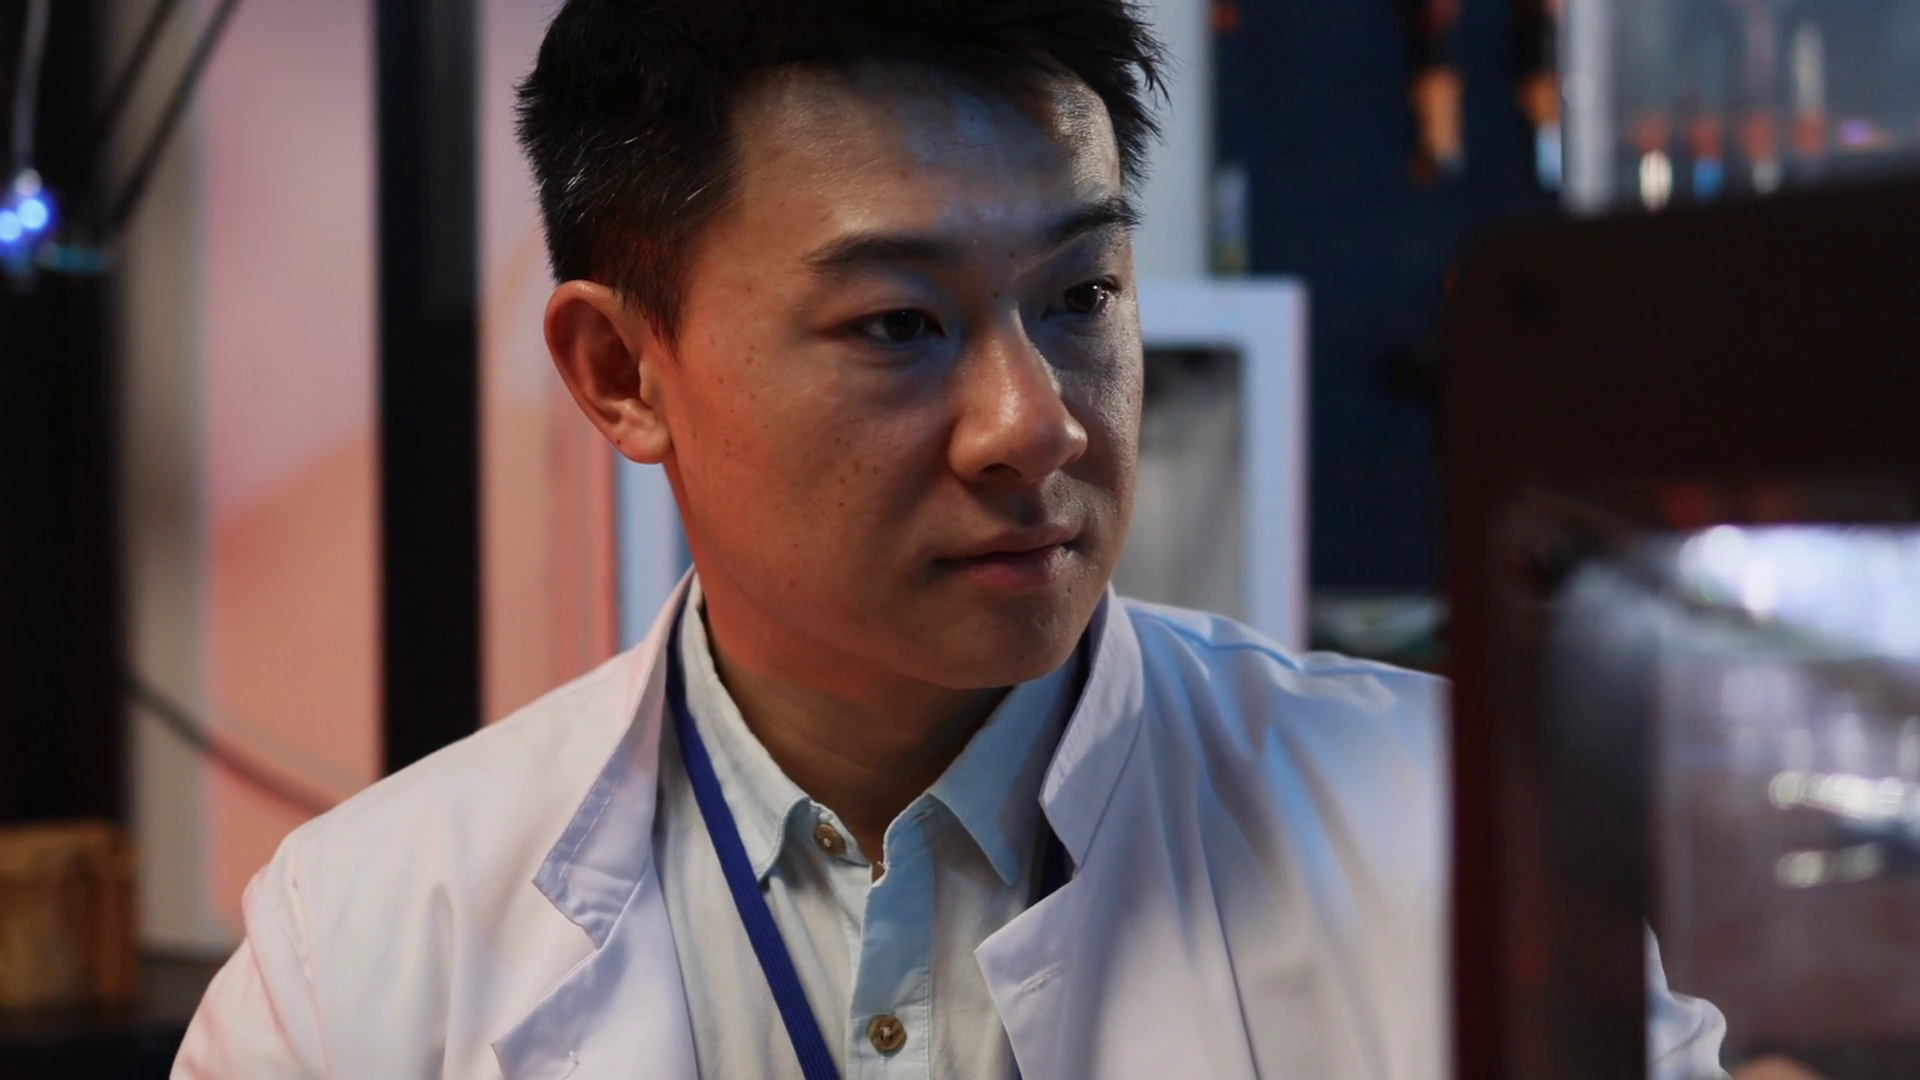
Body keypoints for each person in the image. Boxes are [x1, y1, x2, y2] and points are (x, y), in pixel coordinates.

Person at [173, 1, 1728, 1077]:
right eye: (897, 323)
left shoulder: (1446, 833)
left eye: (1082, 297)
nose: (1032, 425)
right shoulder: (361, 957)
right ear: (622, 372)